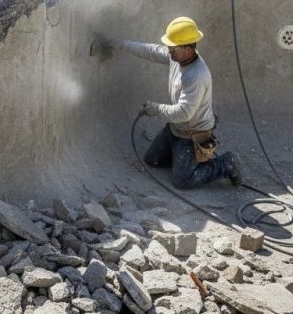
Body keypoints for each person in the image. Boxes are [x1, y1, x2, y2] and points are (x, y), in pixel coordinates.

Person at [99, 16, 242, 189]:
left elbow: (184, 113)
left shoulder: (196, 76)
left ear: (189, 49)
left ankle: (228, 162)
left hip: (192, 135)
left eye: (173, 48)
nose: (169, 51)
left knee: (182, 181)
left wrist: (156, 109)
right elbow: (151, 51)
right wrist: (121, 44)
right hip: (175, 129)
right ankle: (184, 158)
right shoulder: (178, 57)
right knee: (152, 160)